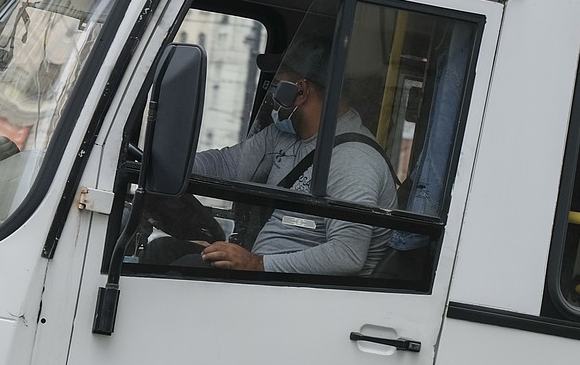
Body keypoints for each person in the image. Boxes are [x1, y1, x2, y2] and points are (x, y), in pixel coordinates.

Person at [144, 34, 397, 276]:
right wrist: (161, 165)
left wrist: (256, 264)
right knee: (161, 251)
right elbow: (227, 165)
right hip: (264, 269)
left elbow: (347, 255)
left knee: (184, 271)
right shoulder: (282, 135)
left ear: (300, 92)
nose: (273, 96)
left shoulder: (354, 161)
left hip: (299, 291)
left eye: (278, 85)